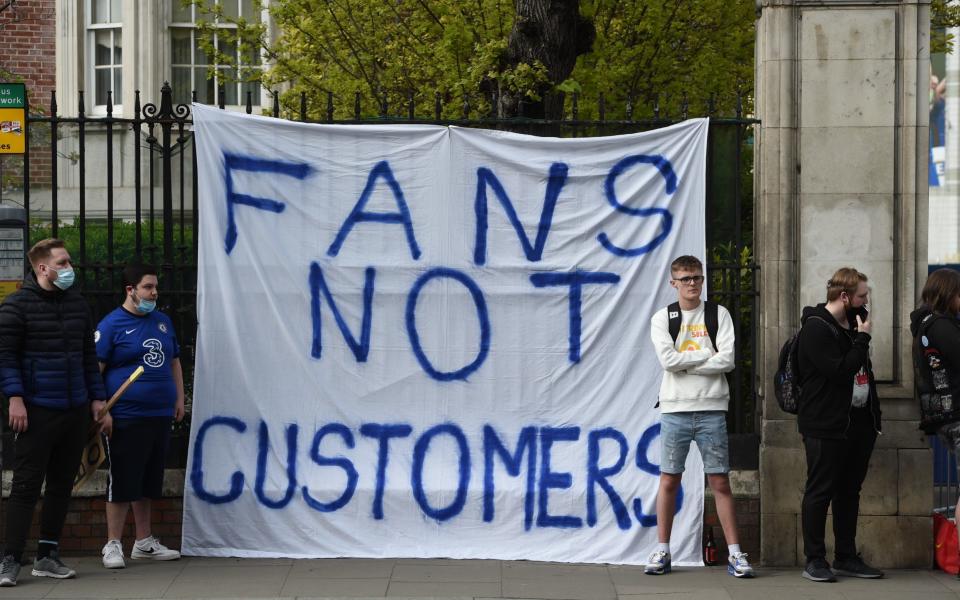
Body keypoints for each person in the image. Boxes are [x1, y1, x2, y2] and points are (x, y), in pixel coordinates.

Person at [0, 239, 111, 587]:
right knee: (25, 487)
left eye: (69, 262)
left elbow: (87, 358)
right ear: (42, 269)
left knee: (63, 485)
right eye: (62, 263)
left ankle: (47, 556)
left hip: (75, 409)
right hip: (36, 411)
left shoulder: (78, 305)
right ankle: (10, 560)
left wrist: (96, 398)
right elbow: (5, 357)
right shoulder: (16, 307)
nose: (69, 268)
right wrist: (15, 397)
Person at [645, 255, 754, 578]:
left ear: (703, 280)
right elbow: (667, 360)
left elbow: (728, 360)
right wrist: (706, 354)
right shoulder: (663, 318)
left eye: (697, 277)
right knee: (669, 480)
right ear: (673, 283)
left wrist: (686, 361)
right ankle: (663, 549)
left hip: (711, 407)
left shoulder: (718, 314)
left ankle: (735, 553)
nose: (692, 283)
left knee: (720, 480)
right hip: (675, 408)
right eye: (686, 278)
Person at [797, 267, 883, 582]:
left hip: (857, 422)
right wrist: (862, 339)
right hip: (825, 423)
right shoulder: (817, 328)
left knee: (849, 491)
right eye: (861, 295)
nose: (866, 300)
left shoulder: (852, 323)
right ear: (844, 296)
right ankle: (815, 559)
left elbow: (863, 373)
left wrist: (874, 416)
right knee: (820, 491)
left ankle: (846, 556)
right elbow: (840, 371)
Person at [96, 264, 184, 568]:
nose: (154, 293)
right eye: (148, 287)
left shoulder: (162, 322)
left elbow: (174, 362)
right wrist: (100, 408)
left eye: (155, 287)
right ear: (130, 290)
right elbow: (96, 370)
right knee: (122, 480)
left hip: (158, 414)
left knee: (148, 480)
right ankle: (113, 544)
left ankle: (144, 542)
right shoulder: (111, 325)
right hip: (124, 416)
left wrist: (179, 397)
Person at [911, 268, 960, 558]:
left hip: (943, 415)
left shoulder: (924, 326)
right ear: (948, 293)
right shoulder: (941, 326)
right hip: (956, 412)